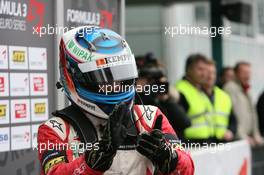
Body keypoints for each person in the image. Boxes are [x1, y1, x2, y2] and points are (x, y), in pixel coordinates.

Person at [37, 26, 194, 175]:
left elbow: (187, 169)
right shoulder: (56, 129)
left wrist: (170, 158)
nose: (114, 86)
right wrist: (93, 162)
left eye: (120, 77)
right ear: (75, 78)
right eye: (103, 79)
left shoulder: (150, 117)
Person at [135, 54, 191, 139]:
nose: (150, 82)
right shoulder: (135, 97)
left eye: (154, 78)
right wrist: (138, 91)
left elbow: (185, 123)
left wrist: (166, 96)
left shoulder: (163, 97)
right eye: (147, 78)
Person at [175, 54, 214, 143]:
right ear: (189, 70)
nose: (204, 73)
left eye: (205, 70)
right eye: (200, 69)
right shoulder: (180, 90)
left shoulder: (200, 90)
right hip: (190, 143)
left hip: (205, 142)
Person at [224, 62, 264, 146]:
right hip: (238, 140)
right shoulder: (230, 88)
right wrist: (242, 137)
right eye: (244, 73)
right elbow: (234, 115)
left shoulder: (246, 89)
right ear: (235, 74)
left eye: (249, 73)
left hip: (249, 139)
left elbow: (253, 114)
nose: (247, 76)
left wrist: (256, 135)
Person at [202, 60, 237, 142]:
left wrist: (231, 131)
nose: (210, 76)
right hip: (200, 144)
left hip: (223, 144)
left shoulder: (224, 95)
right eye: (208, 73)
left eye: (213, 73)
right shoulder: (195, 94)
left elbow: (233, 119)